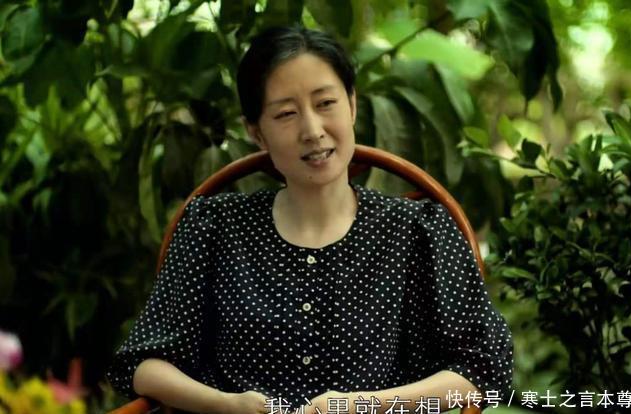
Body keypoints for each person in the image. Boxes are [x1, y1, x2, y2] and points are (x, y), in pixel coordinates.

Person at [106, 25, 513, 414]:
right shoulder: (215, 226)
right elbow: (143, 365)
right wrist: (226, 405)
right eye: (286, 114)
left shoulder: (416, 230)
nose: (313, 130)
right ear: (257, 133)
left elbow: (481, 367)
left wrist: (361, 405)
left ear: (352, 105)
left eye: (325, 104)